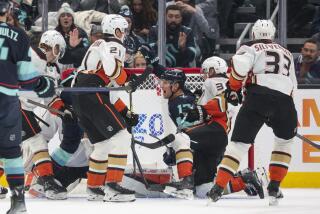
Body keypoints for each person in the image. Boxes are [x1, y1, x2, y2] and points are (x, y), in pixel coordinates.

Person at [207, 19, 298, 206]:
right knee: (284, 142)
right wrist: (291, 115)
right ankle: (274, 186)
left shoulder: (251, 47)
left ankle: (218, 188)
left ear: (254, 34)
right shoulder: (287, 52)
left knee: (239, 144)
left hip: (259, 96)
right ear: (272, 35)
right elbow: (293, 85)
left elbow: (239, 66)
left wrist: (233, 89)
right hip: (285, 101)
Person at [72, 14, 139, 202]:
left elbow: (109, 90)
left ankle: (94, 188)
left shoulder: (98, 45)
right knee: (122, 137)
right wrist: (127, 78)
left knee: (102, 144)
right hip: (92, 93)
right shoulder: (114, 44)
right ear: (117, 30)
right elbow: (113, 73)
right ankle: (113, 187)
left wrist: (125, 111)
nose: (125, 34)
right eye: (124, 30)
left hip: (81, 95)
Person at [0, 0, 55, 213]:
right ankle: (18, 202)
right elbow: (26, 78)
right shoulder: (19, 36)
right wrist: (45, 84)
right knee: (12, 151)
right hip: (7, 100)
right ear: (8, 11)